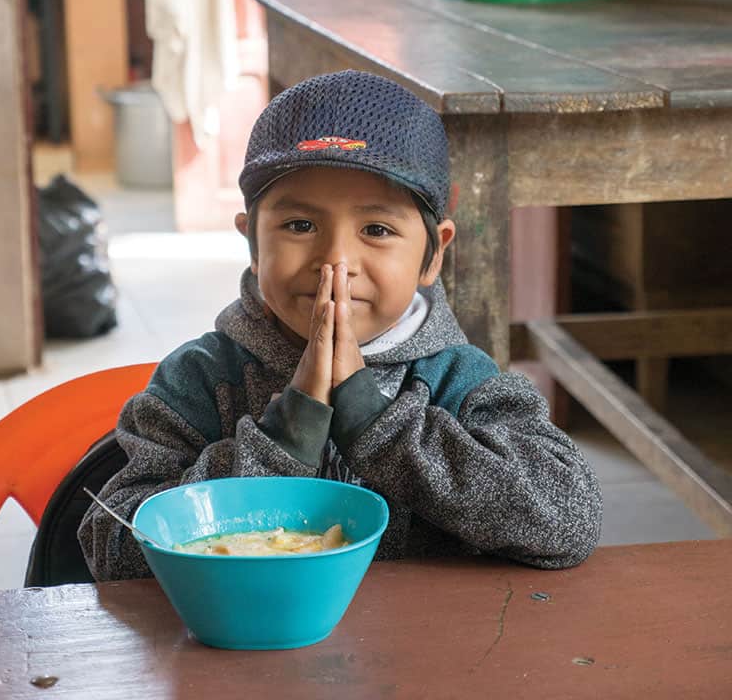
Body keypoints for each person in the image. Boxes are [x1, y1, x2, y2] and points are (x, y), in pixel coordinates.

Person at [79, 70, 602, 580]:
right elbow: (112, 550)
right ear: (253, 244)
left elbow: (569, 523)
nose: (335, 261)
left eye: (377, 229)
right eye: (300, 225)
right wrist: (281, 442)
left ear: (433, 254)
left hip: (418, 637)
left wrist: (382, 426)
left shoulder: (460, 382)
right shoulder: (198, 380)